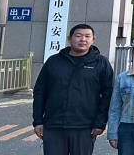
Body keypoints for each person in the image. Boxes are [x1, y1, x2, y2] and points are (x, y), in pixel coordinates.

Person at [32, 23, 114, 155]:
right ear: (70, 38)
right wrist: (38, 121)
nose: (83, 39)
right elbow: (40, 92)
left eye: (87, 36)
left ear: (93, 40)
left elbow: (108, 94)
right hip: (54, 124)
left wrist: (100, 122)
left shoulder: (101, 63)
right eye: (78, 36)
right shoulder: (54, 61)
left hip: (85, 126)